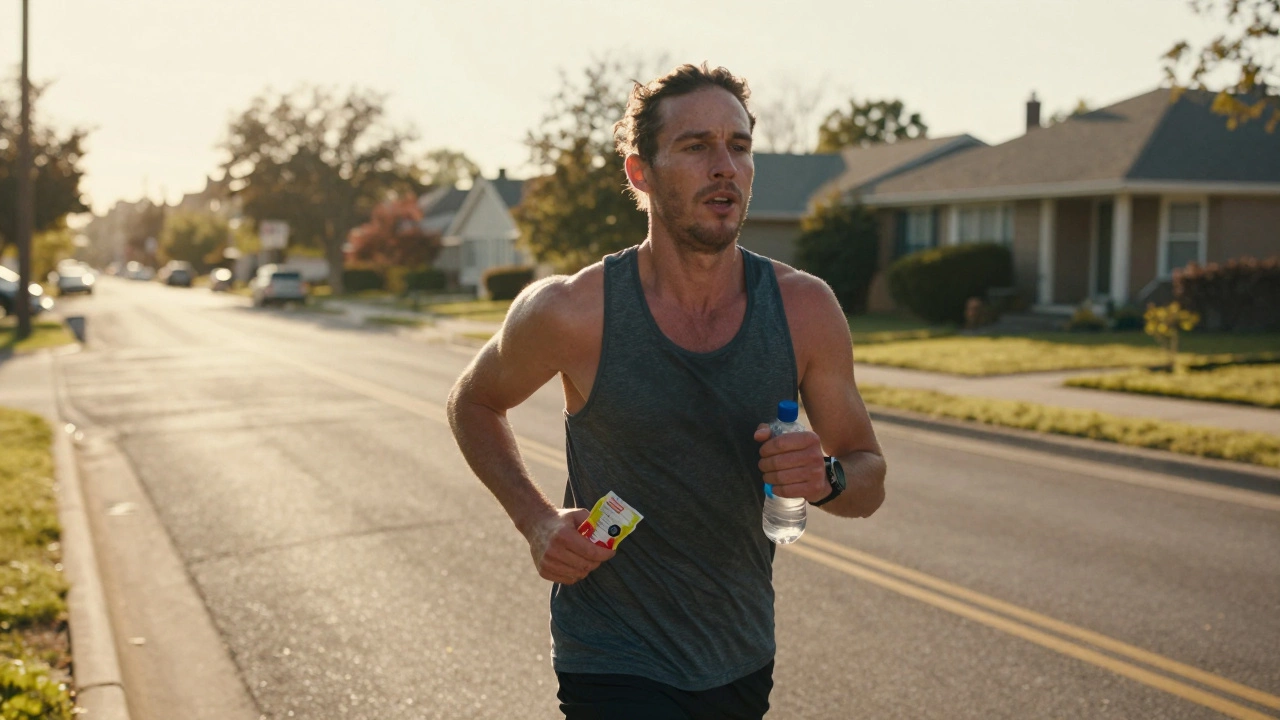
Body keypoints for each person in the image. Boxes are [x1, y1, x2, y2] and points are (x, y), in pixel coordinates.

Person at [447, 62, 887, 720]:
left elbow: (869, 475)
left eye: (738, 146)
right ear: (639, 173)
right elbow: (473, 402)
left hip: (740, 652)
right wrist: (536, 520)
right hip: (612, 657)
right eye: (695, 146)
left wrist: (824, 478)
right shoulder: (573, 311)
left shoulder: (804, 310)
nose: (724, 167)